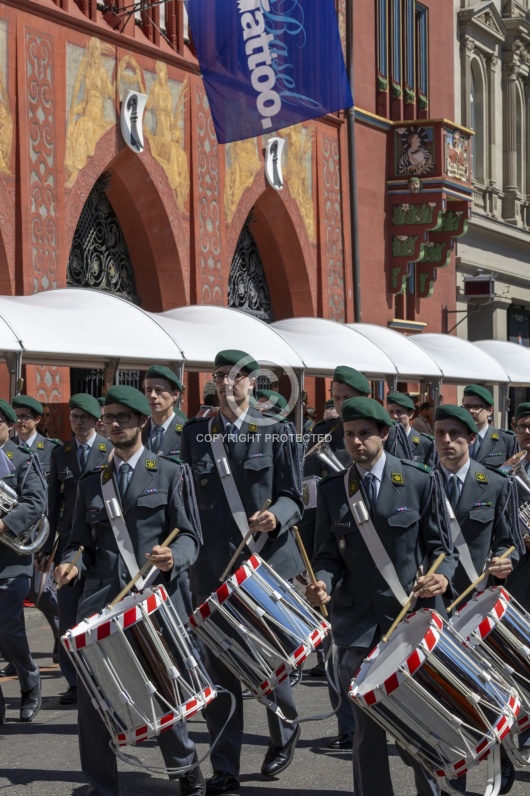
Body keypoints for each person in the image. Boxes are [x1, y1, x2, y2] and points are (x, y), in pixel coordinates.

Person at [54, 385, 204, 796]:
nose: (114, 425)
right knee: (93, 694)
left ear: (141, 422)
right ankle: (101, 784)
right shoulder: (92, 481)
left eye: (123, 417)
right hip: (102, 602)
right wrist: (70, 562)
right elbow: (78, 541)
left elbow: (191, 535)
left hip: (152, 601)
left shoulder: (170, 472)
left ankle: (185, 767)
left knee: (162, 685)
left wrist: (173, 557)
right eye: (109, 418)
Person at [306, 396, 457, 796]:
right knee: (366, 733)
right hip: (356, 625)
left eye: (365, 434)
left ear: (385, 434)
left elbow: (443, 549)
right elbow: (325, 554)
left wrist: (441, 578)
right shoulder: (334, 489)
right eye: (349, 435)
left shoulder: (419, 479)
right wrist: (320, 580)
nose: (356, 442)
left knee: (420, 726)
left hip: (410, 621)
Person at [180, 349, 304, 794]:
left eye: (234, 377)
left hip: (265, 569)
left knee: (270, 662)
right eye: (218, 376)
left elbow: (294, 495)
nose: (225, 383)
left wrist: (277, 516)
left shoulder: (278, 431)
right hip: (212, 570)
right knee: (219, 672)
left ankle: (284, 732)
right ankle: (225, 767)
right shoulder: (195, 434)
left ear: (253, 384)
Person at [427, 404, 520, 796]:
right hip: (436, 605)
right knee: (447, 697)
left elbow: (510, 539)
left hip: (480, 604)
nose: (446, 442)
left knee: (486, 689)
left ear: (470, 438)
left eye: (455, 435)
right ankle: (454, 776)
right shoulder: (421, 482)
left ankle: (499, 761)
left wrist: (505, 559)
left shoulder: (496, 484)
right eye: (440, 434)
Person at [41, 393, 112, 705]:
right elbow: (53, 502)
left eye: (84, 417)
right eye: (73, 417)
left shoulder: (109, 449)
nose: (78, 422)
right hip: (70, 542)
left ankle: (105, 678)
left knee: (99, 612)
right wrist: (47, 545)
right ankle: (74, 682)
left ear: (97, 420)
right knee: (68, 612)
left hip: (102, 541)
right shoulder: (61, 453)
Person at [0, 398, 48, 722]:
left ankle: (30, 680)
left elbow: (35, 503)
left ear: (7, 426)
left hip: (13, 559)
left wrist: (5, 523)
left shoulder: (23, 459)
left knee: (8, 628)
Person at [9, 394, 60, 666]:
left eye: (26, 416)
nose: (20, 421)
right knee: (16, 598)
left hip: (41, 535)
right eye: (16, 416)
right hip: (12, 537)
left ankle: (61, 638)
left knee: (44, 596)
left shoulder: (51, 449)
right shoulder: (7, 450)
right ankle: (15, 653)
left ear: (37, 420)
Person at [461, 385, 517, 467]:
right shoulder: (456, 438)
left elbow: (512, 474)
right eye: (467, 406)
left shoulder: (506, 440)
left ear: (490, 410)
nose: (471, 411)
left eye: (477, 407)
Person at [142, 365, 185, 457]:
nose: (152, 395)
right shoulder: (138, 430)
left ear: (175, 394)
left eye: (159, 390)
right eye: (148, 390)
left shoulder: (186, 432)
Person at [387, 392, 434, 465]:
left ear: (411, 414)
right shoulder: (383, 440)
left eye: (399, 412)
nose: (394, 416)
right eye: (391, 412)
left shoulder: (425, 443)